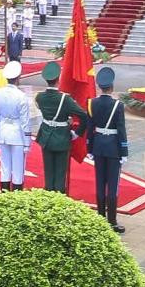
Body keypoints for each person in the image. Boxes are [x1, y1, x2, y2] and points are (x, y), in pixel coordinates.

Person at [33, 61, 85, 196]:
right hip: (62, 138)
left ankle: (48, 201)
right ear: (58, 79)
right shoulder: (65, 99)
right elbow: (83, 116)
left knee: (48, 174)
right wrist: (76, 133)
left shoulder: (40, 97)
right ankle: (59, 203)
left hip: (46, 137)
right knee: (60, 176)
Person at [87, 65, 128, 231]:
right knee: (112, 185)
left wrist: (89, 148)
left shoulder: (92, 103)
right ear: (111, 87)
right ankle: (112, 221)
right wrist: (124, 151)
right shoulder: (118, 105)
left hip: (97, 146)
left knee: (99, 182)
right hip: (113, 148)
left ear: (99, 86)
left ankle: (100, 218)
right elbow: (121, 130)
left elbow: (90, 129)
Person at [0, 60, 34, 192]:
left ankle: (4, 195)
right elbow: (25, 122)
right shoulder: (21, 96)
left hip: (3, 132)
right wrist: (27, 142)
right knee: (18, 170)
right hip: (18, 135)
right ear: (18, 78)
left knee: (4, 168)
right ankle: (16, 198)